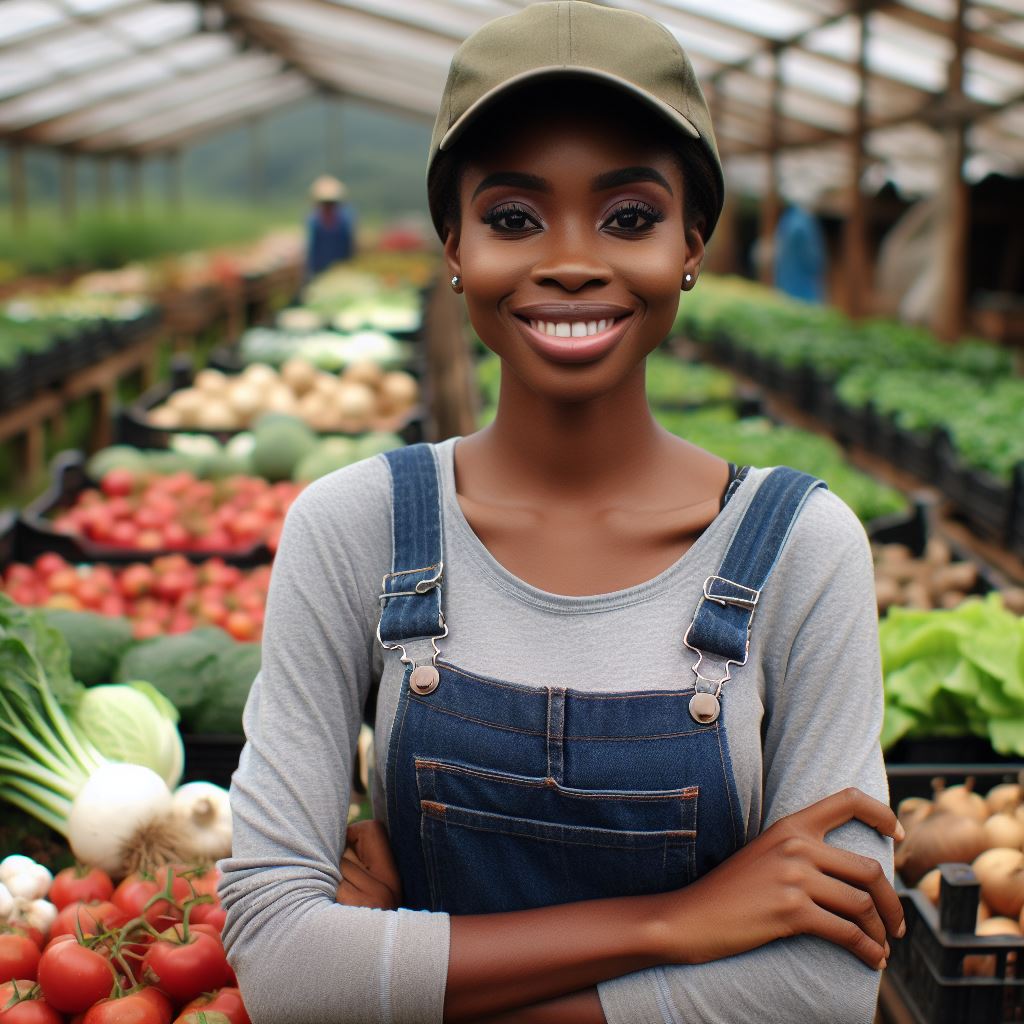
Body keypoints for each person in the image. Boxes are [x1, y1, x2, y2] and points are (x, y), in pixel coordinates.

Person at [219, 4, 904, 1023]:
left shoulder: (800, 549)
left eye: (629, 216)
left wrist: (400, 976)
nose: (572, 258)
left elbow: (821, 987)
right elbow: (282, 965)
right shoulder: (353, 526)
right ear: (453, 245)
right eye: (512, 216)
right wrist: (677, 920)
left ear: (692, 244)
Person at [305, 174, 356, 279]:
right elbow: (312, 250)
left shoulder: (345, 220)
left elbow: (349, 246)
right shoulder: (314, 221)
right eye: (325, 203)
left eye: (331, 203)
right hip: (318, 268)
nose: (328, 207)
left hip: (340, 268)